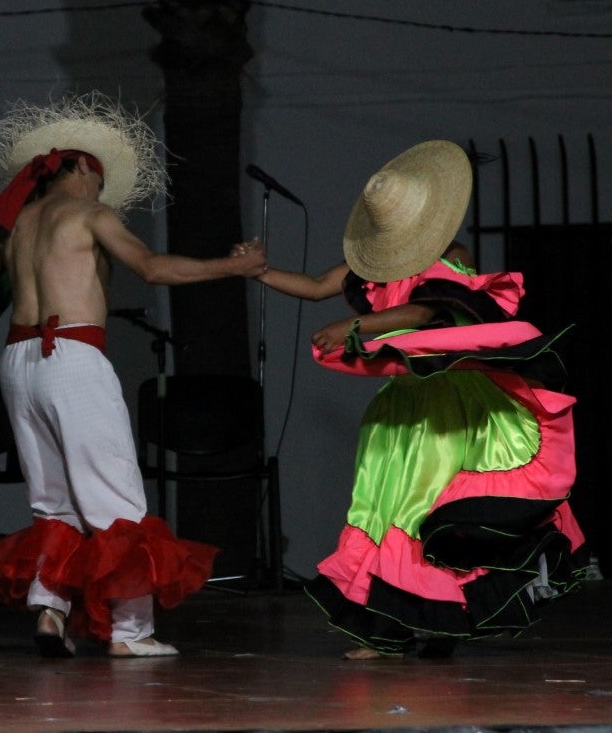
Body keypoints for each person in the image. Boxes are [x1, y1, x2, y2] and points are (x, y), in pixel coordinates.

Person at [252, 139, 588, 659]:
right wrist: (259, 272)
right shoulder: (372, 268)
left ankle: (433, 625)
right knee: (383, 508)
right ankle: (390, 627)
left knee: (423, 512)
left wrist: (357, 324)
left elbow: (430, 311)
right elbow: (318, 284)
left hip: (448, 406)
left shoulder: (450, 256)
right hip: (402, 405)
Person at [0, 93, 268, 658]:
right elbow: (151, 268)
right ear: (80, 167)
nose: (103, 191)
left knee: (52, 502)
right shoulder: (89, 214)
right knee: (117, 500)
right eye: (99, 177)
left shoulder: (19, 223)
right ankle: (130, 632)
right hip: (71, 359)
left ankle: (50, 613)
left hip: (18, 364)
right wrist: (234, 266)